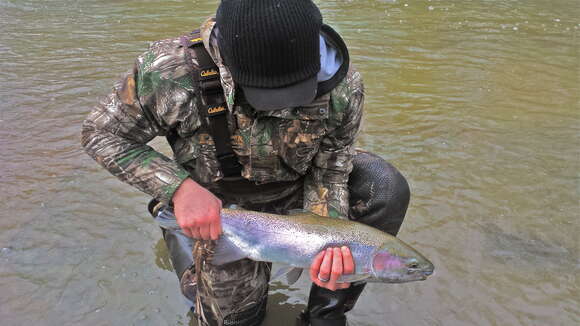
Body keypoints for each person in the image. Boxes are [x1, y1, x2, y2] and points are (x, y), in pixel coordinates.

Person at [81, 0, 410, 325]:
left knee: (384, 186)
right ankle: (180, 231)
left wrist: (329, 241)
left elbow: (330, 172)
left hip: (296, 191)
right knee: (237, 320)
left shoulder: (345, 85)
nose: (282, 105)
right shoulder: (170, 69)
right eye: (266, 92)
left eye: (295, 90)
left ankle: (324, 315)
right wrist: (178, 189)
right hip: (217, 203)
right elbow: (102, 133)